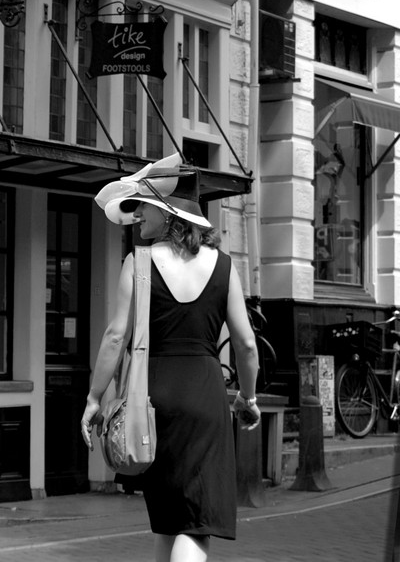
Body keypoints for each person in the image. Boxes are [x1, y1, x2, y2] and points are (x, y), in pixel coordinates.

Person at [81, 154, 261, 562]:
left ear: (167, 214)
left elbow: (114, 338)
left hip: (152, 399)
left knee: (167, 519)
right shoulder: (225, 266)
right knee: (193, 524)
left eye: (143, 207)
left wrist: (95, 398)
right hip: (205, 396)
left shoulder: (138, 264)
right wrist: (247, 398)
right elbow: (247, 344)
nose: (136, 216)